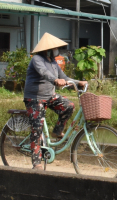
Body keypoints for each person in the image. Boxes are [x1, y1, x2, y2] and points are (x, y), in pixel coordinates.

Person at [23, 33, 80, 169]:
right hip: (35, 98)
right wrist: (55, 80)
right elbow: (44, 73)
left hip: (49, 96)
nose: (57, 51)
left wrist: (79, 82)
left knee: (69, 106)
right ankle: (36, 163)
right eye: (55, 48)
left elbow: (64, 77)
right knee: (37, 129)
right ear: (47, 49)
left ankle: (57, 131)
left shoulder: (53, 62)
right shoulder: (37, 59)